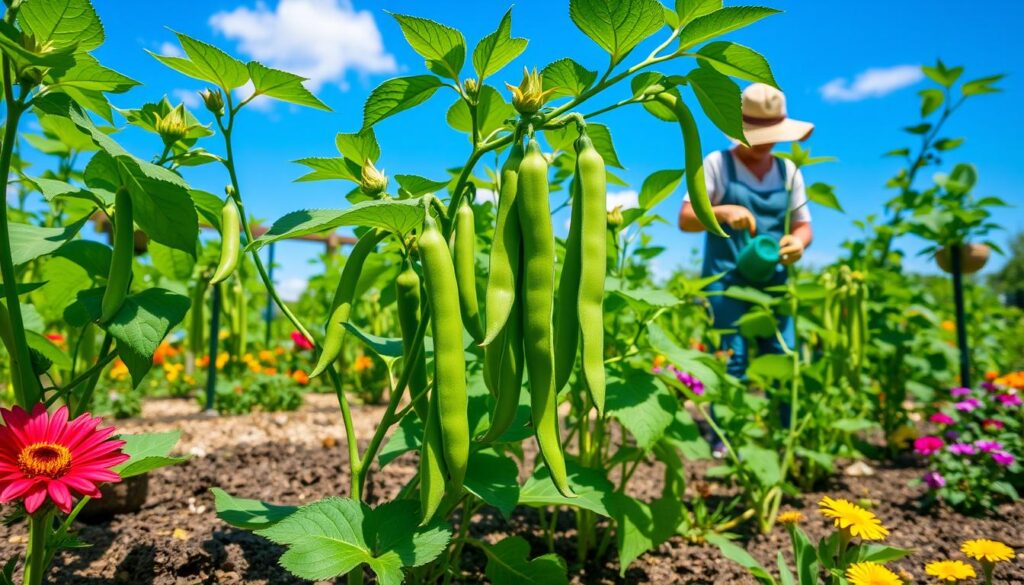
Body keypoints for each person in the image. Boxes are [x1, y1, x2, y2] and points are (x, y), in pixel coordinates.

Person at [679, 82, 814, 382]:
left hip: (774, 279)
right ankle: (724, 428)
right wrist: (722, 212)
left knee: (783, 358)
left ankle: (780, 428)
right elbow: (686, 218)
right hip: (726, 279)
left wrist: (798, 242)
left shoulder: (789, 171)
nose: (767, 143)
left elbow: (803, 227)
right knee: (731, 361)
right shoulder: (718, 164)